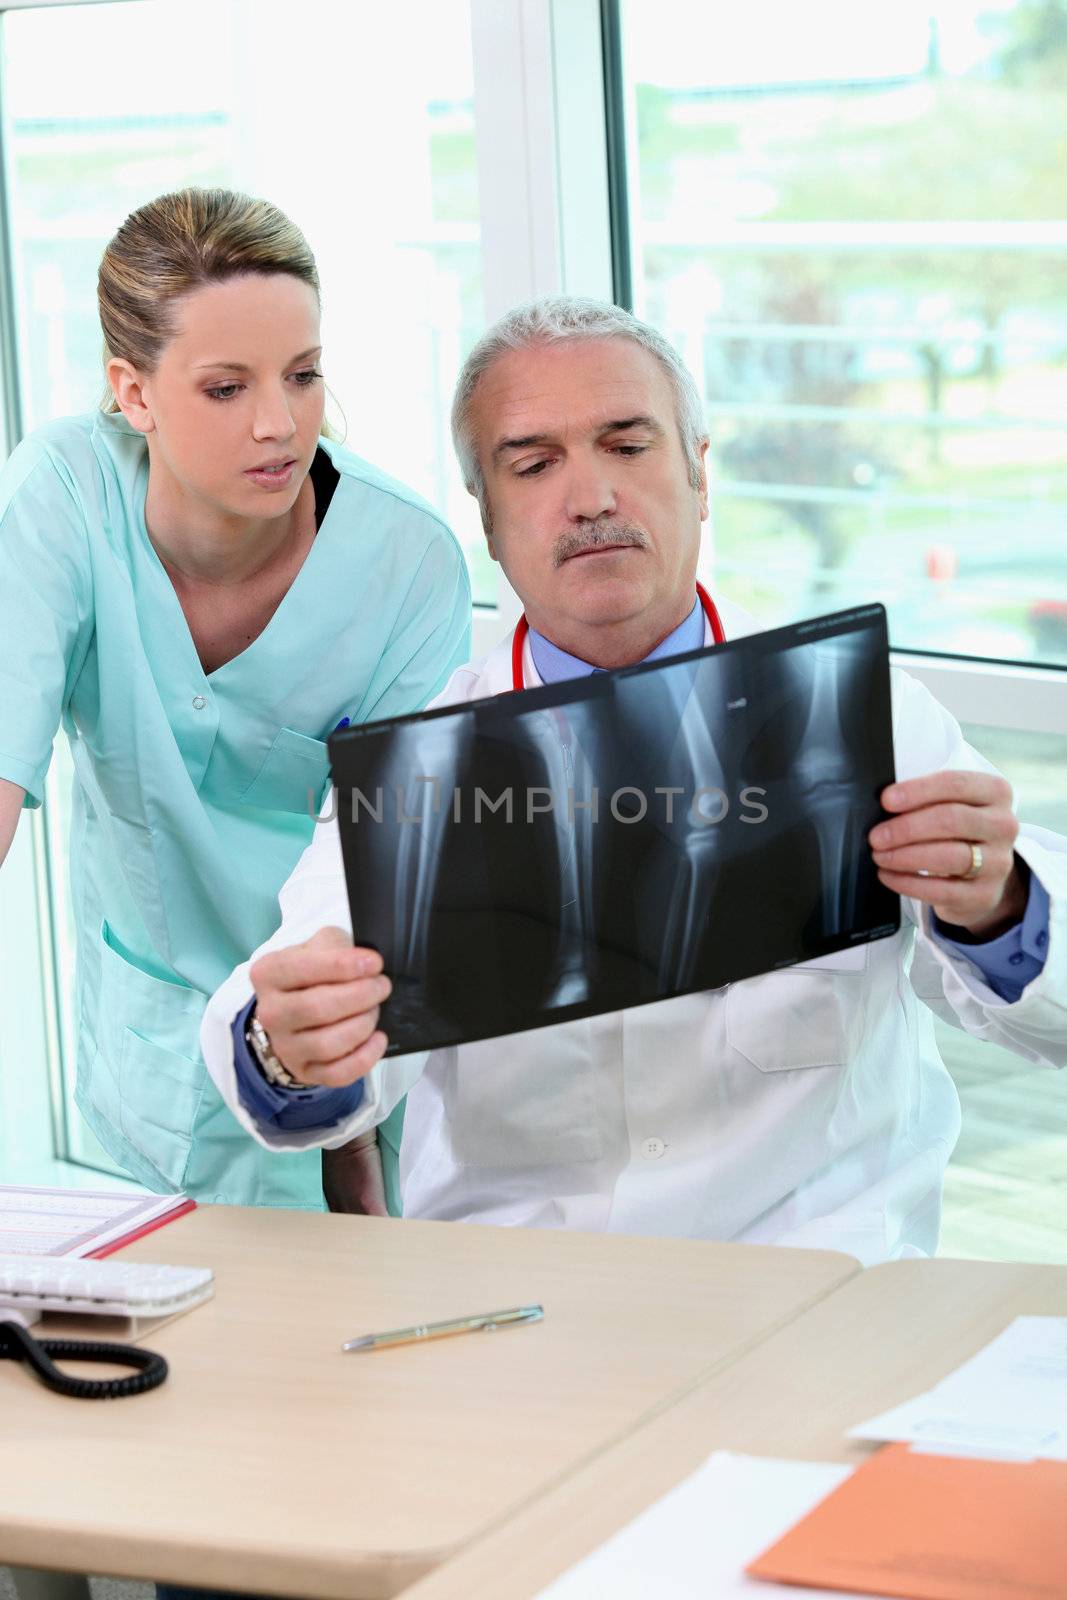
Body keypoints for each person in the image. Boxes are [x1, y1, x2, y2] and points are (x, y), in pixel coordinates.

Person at [200, 297, 1064, 1263]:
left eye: (627, 447)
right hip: (531, 1310)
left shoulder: (862, 712)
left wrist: (995, 906)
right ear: (486, 519)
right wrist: (291, 1046)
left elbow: (1054, 1014)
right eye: (532, 465)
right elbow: (288, 1039)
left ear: (699, 475)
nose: (589, 498)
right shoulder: (426, 771)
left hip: (824, 1289)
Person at [0, 187, 470, 1208]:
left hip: (356, 1029)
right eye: (225, 387)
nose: (278, 423)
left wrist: (347, 1142)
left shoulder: (405, 564)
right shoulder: (60, 502)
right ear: (133, 394)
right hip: (155, 1047)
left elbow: (390, 866)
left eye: (302, 376)